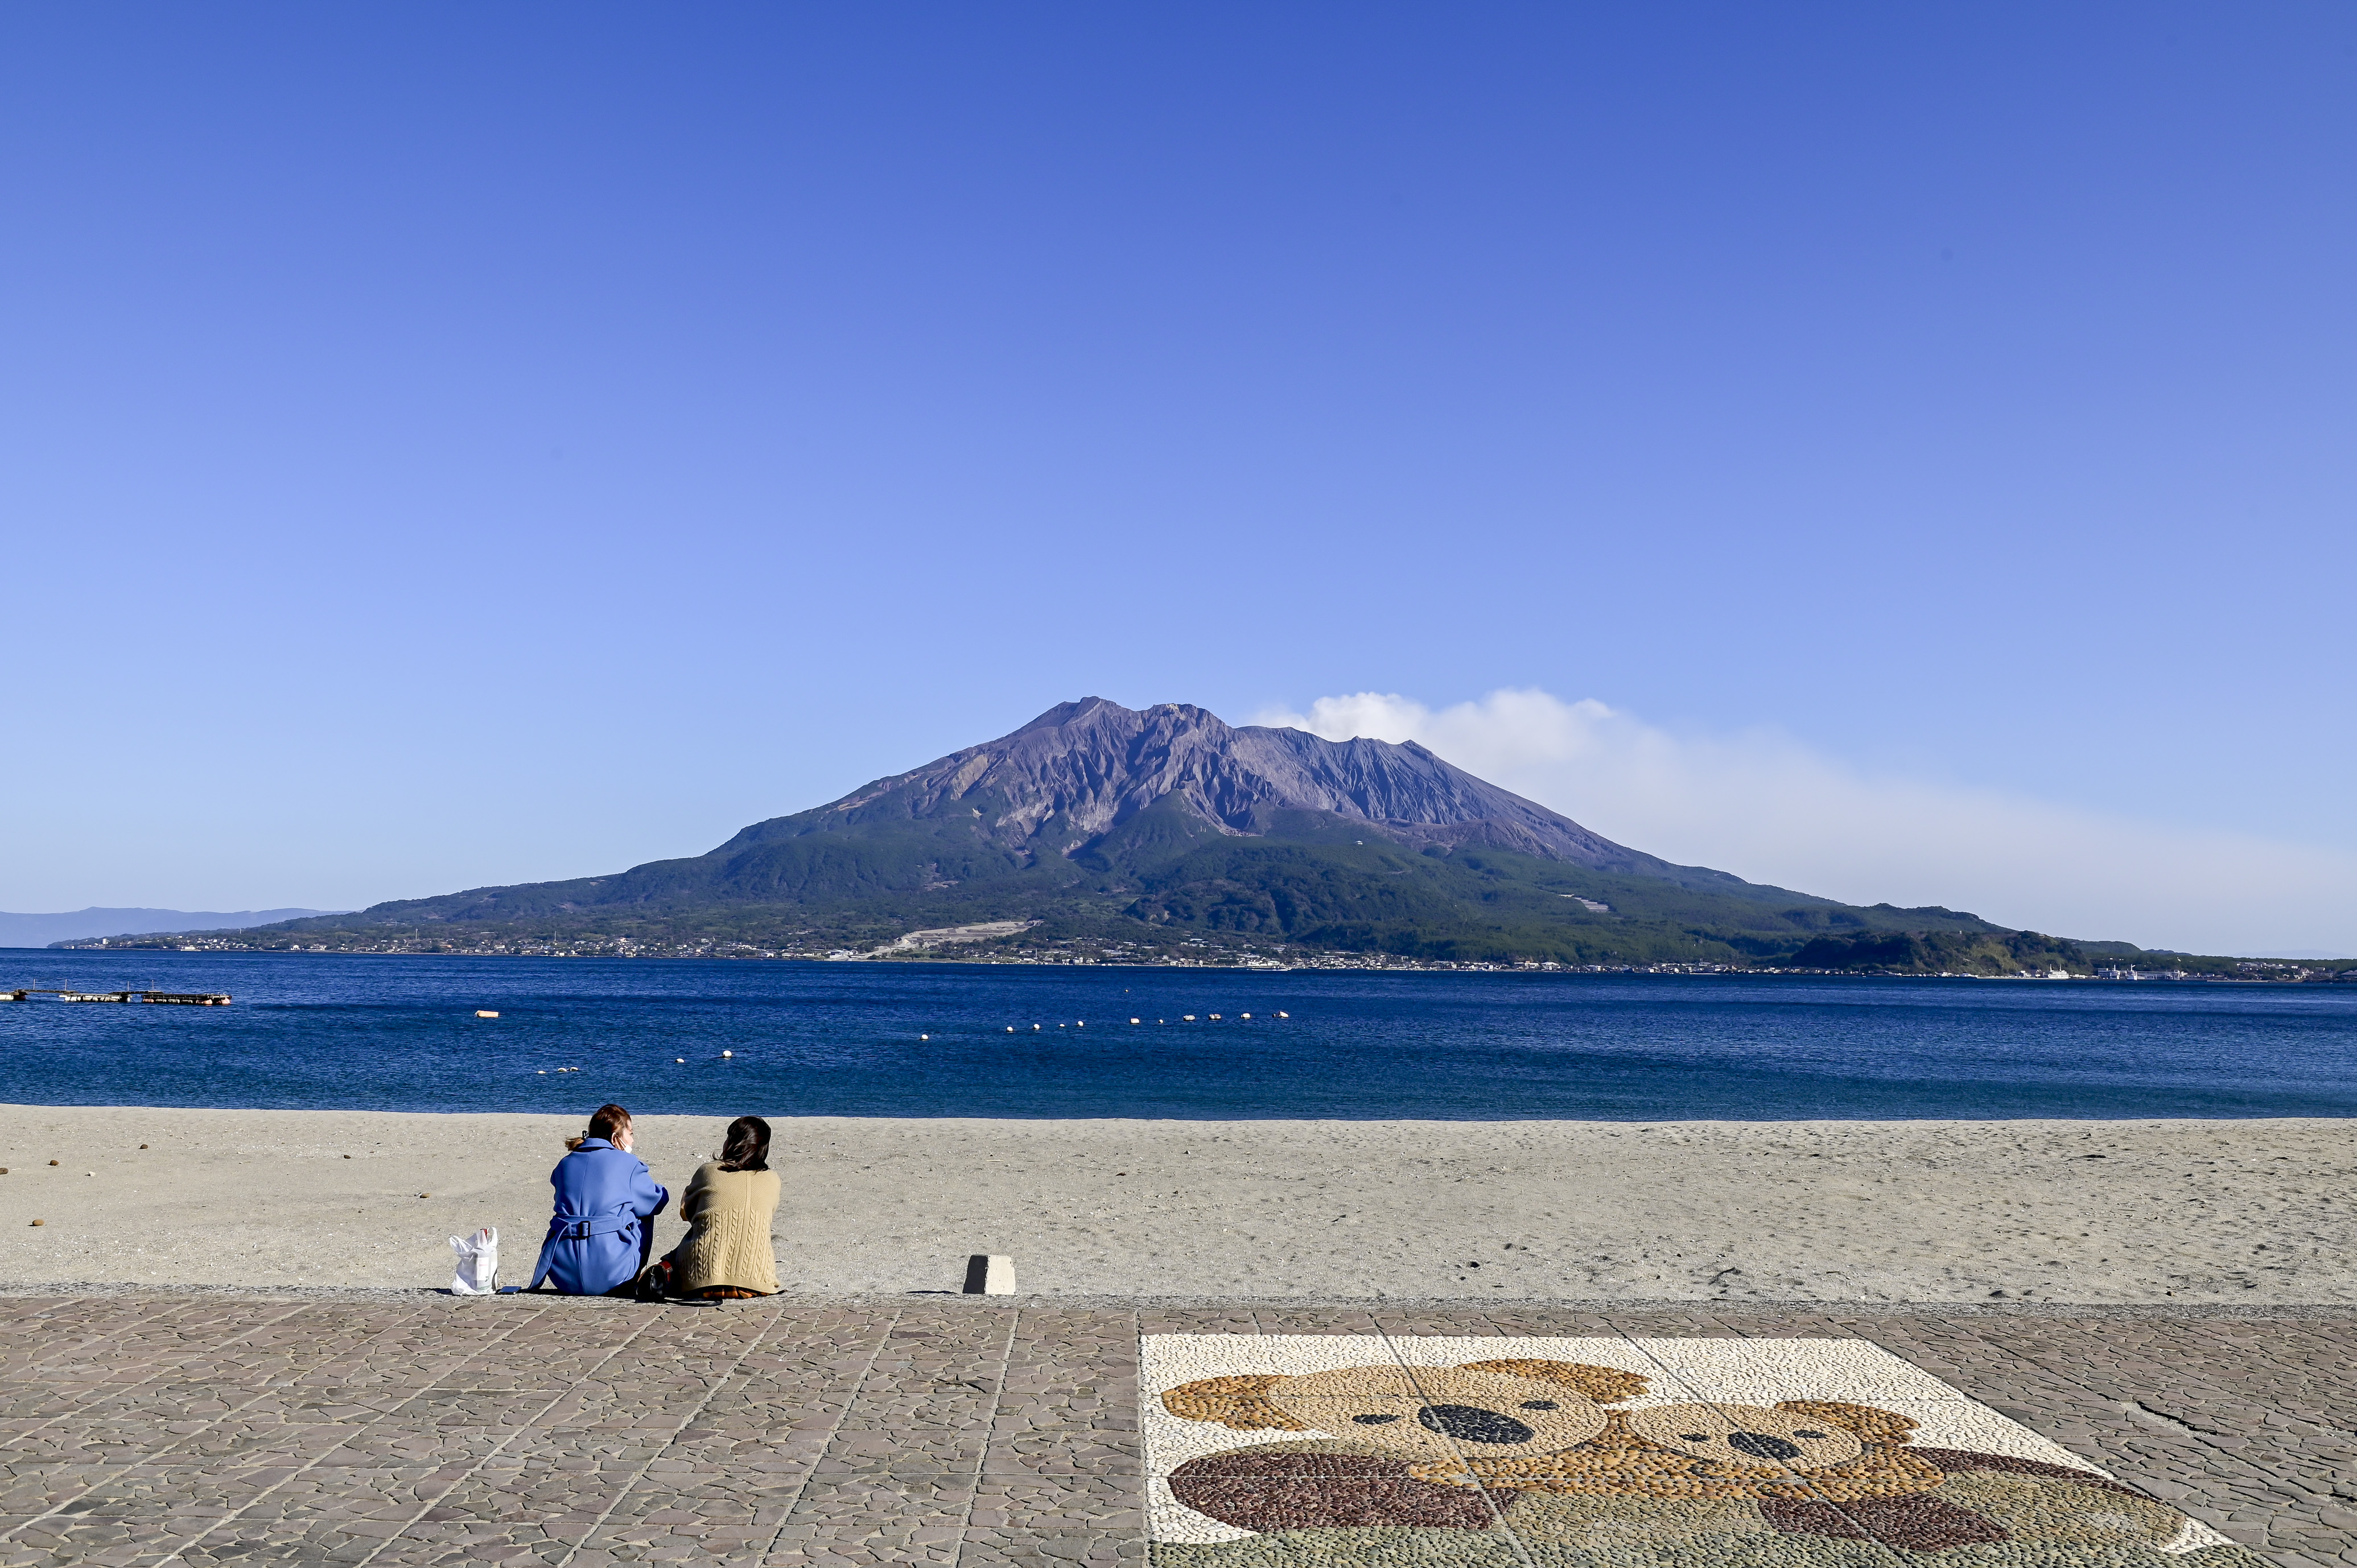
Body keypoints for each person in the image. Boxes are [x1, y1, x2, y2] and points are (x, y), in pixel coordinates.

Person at [529, 1103, 669, 1295]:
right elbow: (656, 1202)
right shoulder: (628, 1164)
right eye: (631, 1133)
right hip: (613, 1274)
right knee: (642, 1212)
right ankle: (632, 1278)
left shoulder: (565, 1163)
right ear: (616, 1138)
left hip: (562, 1274)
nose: (633, 1141)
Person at [648, 1115, 781, 1300]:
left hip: (700, 1280)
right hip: (757, 1281)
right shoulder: (772, 1180)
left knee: (688, 1243)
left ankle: (664, 1270)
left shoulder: (709, 1171)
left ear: (732, 1143)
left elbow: (686, 1213)